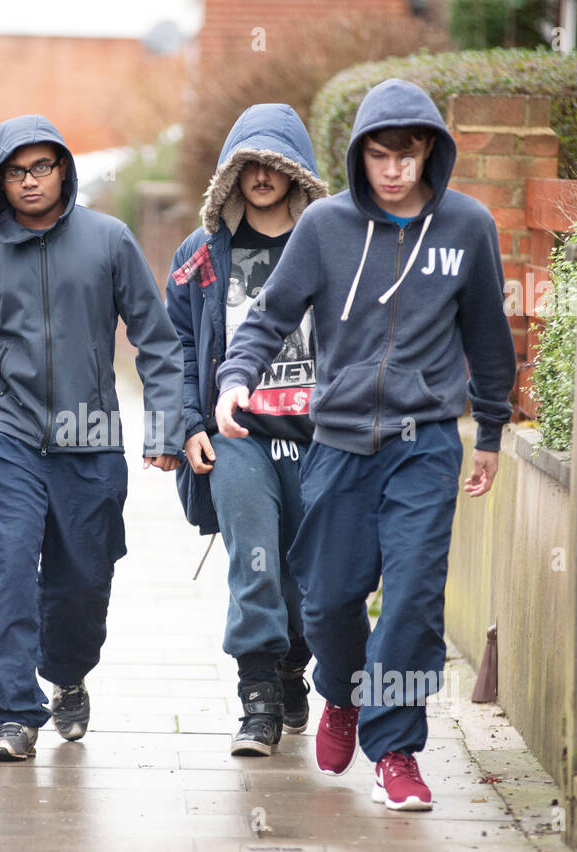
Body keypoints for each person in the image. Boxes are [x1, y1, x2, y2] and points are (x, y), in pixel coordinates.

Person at [215, 79, 516, 809]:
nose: (392, 170)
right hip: (340, 443)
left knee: (412, 600)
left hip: (426, 443)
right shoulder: (326, 227)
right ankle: (342, 694)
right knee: (326, 603)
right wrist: (234, 381)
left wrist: (492, 430)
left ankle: (397, 751)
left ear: (429, 155)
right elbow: (270, 313)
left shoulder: (467, 228)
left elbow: (487, 335)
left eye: (407, 156)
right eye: (379, 155)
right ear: (360, 156)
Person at [0, 115, 185, 762]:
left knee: (80, 588)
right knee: (5, 575)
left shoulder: (109, 240)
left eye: (43, 167)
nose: (31, 181)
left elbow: (156, 341)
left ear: (64, 168)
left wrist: (166, 426)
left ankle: (67, 674)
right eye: (16, 172)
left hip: (92, 444)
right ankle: (14, 712)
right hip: (8, 440)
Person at [166, 104, 328, 757]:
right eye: (249, 164)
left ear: (298, 171)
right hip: (238, 437)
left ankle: (294, 664)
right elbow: (177, 342)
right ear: (231, 173)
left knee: (312, 578)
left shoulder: (329, 241)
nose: (262, 176)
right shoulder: (201, 254)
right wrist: (186, 422)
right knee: (256, 564)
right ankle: (257, 700)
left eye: (275, 163)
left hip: (320, 441)